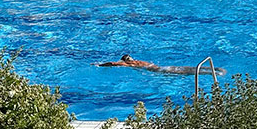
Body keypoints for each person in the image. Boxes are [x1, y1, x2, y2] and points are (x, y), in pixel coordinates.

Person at [96, 53, 226, 76]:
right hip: (164, 66)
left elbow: (113, 63)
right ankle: (214, 68)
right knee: (189, 68)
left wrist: (100, 65)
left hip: (161, 71)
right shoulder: (138, 61)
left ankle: (213, 72)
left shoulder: (130, 65)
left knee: (189, 72)